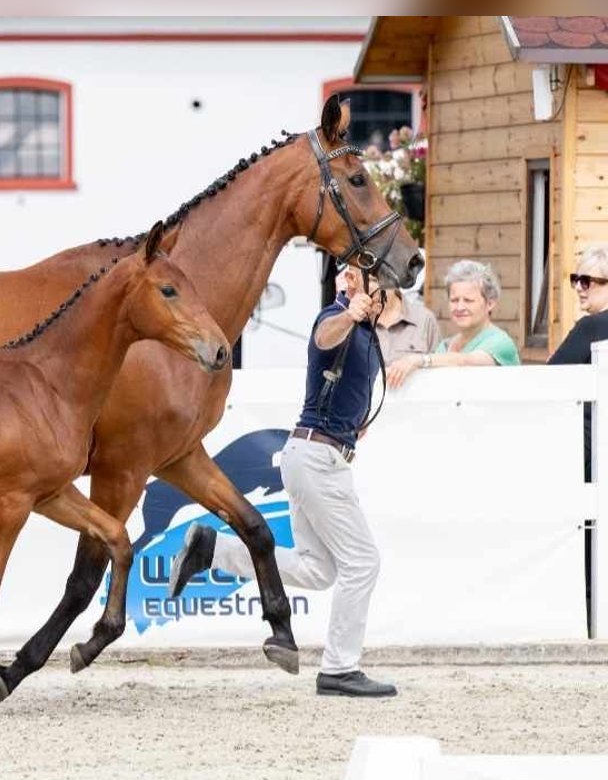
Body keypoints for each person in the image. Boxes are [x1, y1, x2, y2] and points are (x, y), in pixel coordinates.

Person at [170, 265, 397, 698]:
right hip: (317, 458)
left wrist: (354, 421)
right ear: (349, 282)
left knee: (319, 569)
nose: (380, 293)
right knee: (362, 562)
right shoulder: (336, 318)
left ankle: (211, 548)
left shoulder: (366, 333)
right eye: (371, 282)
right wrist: (348, 312)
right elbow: (323, 337)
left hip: (313, 453)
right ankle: (339, 668)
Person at [384, 259, 519, 389]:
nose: (460, 307)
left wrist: (416, 360)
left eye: (468, 300)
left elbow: (468, 362)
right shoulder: (445, 346)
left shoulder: (501, 342)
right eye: (454, 300)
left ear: (490, 303)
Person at [548, 245, 608, 480]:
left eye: (586, 281)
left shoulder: (590, 326)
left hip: (585, 447)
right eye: (575, 279)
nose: (578, 288)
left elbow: (549, 379)